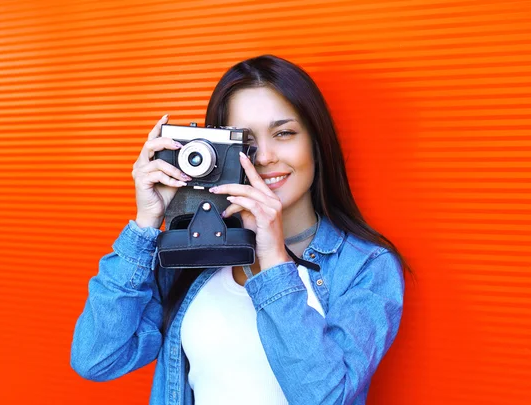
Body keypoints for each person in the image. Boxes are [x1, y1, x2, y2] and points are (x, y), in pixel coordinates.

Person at [70, 55, 408, 405]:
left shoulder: (366, 267)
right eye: (244, 139)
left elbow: (324, 397)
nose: (262, 157)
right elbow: (97, 359)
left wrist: (274, 260)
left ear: (316, 144)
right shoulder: (192, 254)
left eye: (284, 133)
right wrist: (146, 224)